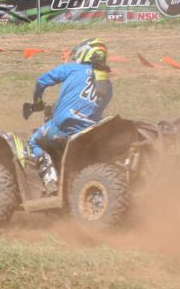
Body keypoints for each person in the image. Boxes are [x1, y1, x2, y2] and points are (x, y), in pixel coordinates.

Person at [24, 39, 113, 194]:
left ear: (84, 52)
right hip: (90, 134)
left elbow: (41, 81)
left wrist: (37, 102)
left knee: (34, 141)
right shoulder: (108, 86)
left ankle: (50, 181)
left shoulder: (72, 69)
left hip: (63, 128)